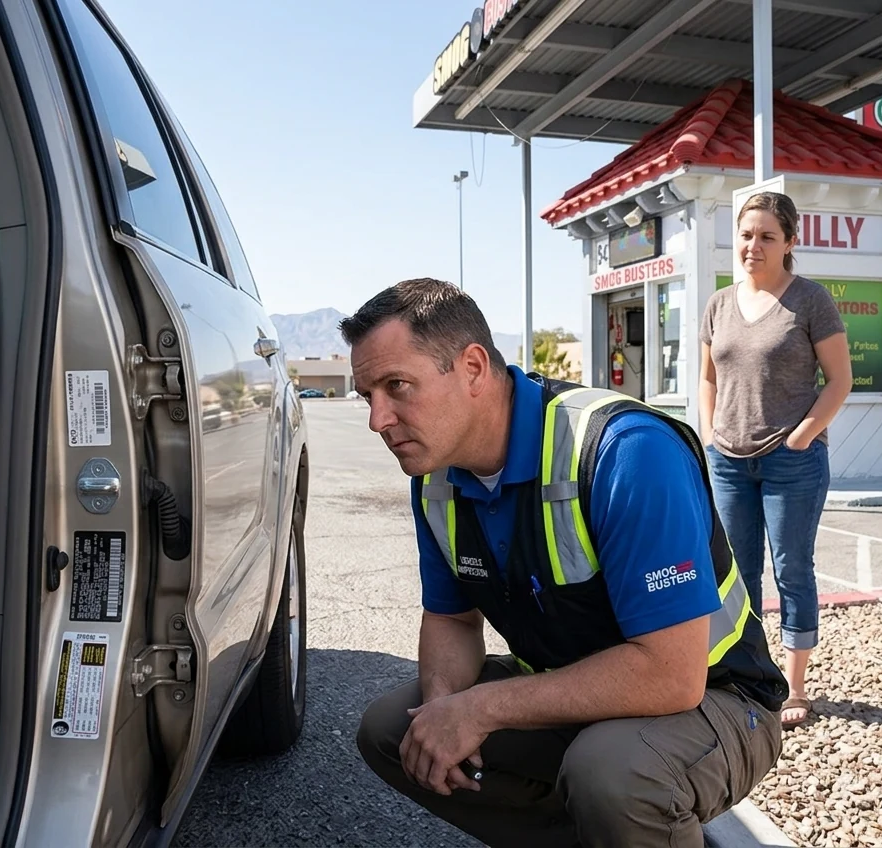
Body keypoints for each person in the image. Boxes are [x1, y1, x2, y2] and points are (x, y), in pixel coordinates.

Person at [340, 278, 789, 848]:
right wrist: (442, 711)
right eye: (368, 396)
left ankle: (628, 822)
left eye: (397, 386)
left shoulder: (624, 450)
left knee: (614, 777)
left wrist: (480, 709)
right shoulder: (436, 478)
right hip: (571, 692)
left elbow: (672, 676)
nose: (378, 419)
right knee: (395, 733)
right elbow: (452, 620)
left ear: (473, 368)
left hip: (716, 698)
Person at [698, 191, 854, 731]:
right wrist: (710, 433)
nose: (753, 246)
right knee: (735, 575)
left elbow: (840, 379)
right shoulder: (719, 304)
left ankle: (794, 686)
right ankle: (746, 675)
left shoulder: (810, 300)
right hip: (729, 461)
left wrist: (803, 436)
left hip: (792, 462)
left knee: (792, 569)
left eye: (767, 236)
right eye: (746, 235)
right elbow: (707, 378)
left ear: (789, 241)